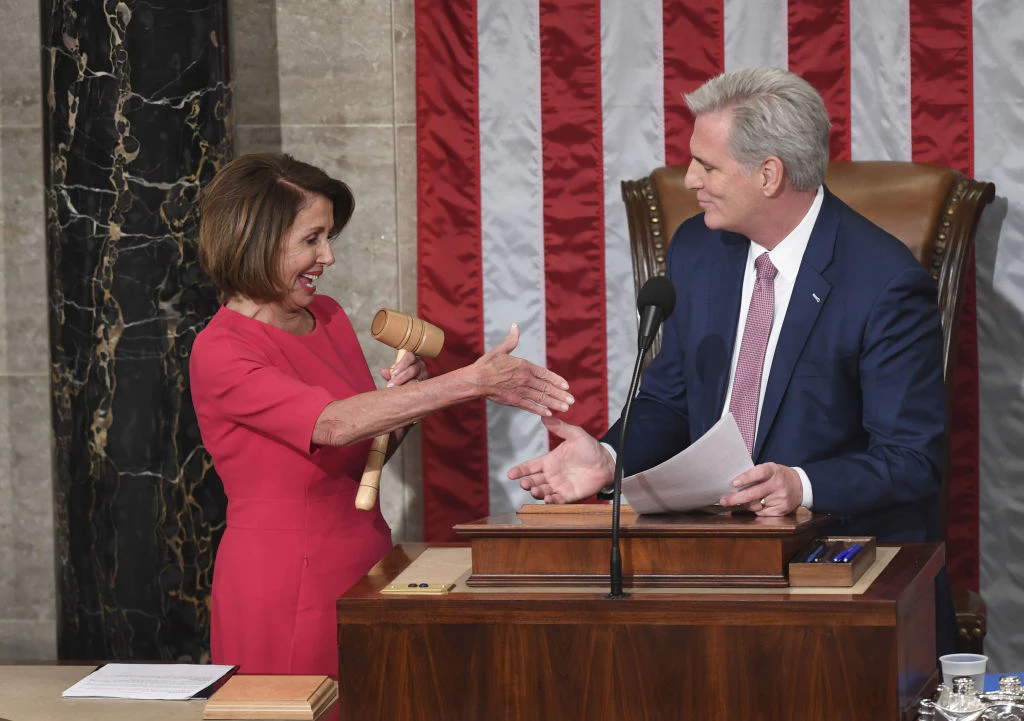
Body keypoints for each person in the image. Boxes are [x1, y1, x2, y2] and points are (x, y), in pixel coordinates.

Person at [508, 67, 953, 654]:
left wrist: (801, 483)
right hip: (710, 564)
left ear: (769, 174)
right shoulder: (699, 248)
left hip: (841, 579)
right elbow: (670, 397)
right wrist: (610, 458)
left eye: (707, 166)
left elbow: (912, 458)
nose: (690, 178)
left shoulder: (885, 281)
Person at [189, 153, 574, 678]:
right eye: (311, 239)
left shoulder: (327, 317)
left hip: (365, 558)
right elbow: (331, 425)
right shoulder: (222, 350)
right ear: (255, 238)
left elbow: (365, 447)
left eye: (329, 238)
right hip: (281, 578)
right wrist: (468, 382)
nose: (327, 256)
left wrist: (405, 401)